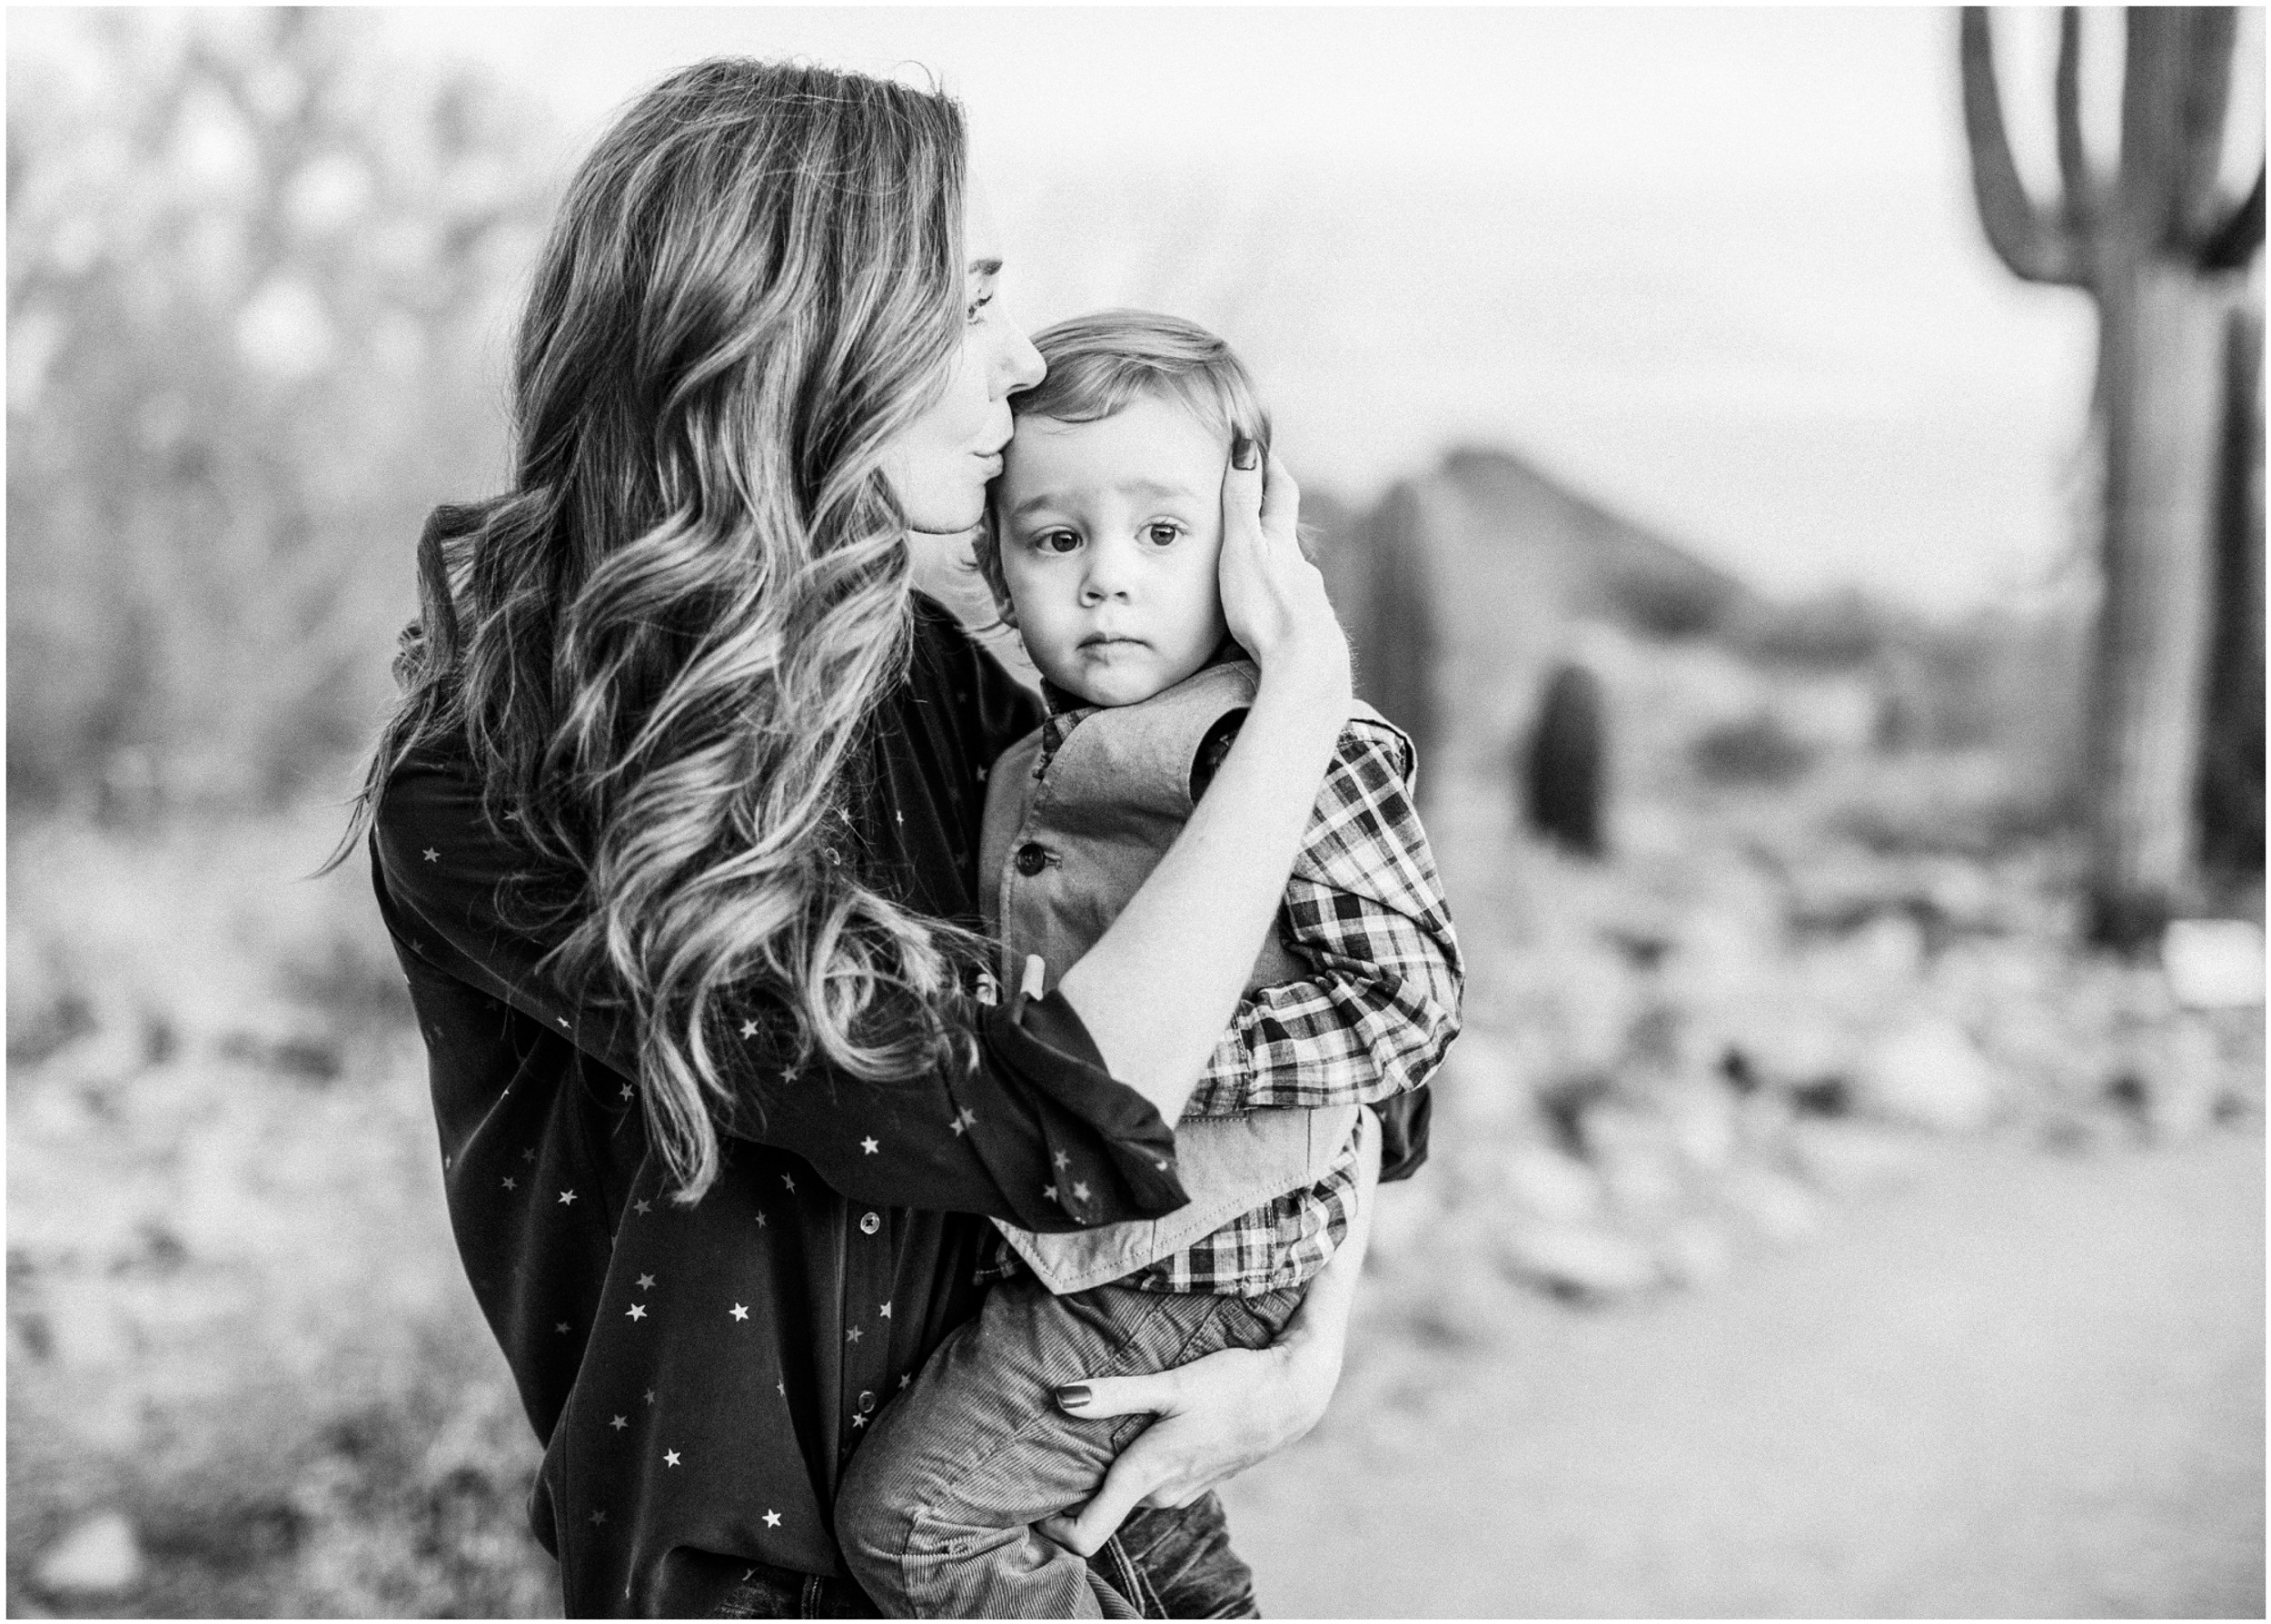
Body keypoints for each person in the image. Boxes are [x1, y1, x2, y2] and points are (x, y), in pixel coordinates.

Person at [339, 57, 1426, 1619]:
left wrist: (1302, 1350)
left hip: (1090, 1522)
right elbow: (1054, 1106)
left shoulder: (930, 670)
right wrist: (1303, 699)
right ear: (804, 331)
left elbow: (1345, 1013)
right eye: (971, 296)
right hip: (766, 1586)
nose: (1024, 352)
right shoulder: (502, 780)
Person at [833, 311, 1463, 1618]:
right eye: (1059, 540)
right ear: (1001, 571)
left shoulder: (1286, 743)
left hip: (1194, 1271)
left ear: (1249, 547)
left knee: (916, 1525)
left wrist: (1161, 1066)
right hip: (1096, 1256)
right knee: (1126, 1533)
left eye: (1163, 534)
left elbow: (1409, 1003)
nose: (1108, 576)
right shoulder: (1020, 759)